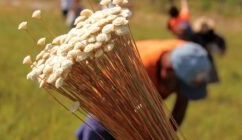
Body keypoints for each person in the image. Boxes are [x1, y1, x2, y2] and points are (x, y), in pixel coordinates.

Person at [76, 40, 212, 139]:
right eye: (179, 87)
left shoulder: (188, 57)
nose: (180, 92)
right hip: (109, 102)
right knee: (98, 132)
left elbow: (181, 105)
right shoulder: (136, 75)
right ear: (168, 71)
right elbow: (135, 127)